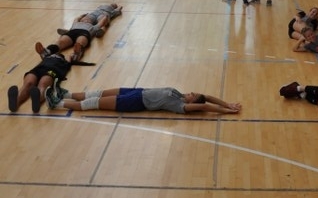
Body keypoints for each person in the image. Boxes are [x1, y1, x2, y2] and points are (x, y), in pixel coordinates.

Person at [45, 82, 242, 115]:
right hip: (138, 91)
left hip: (136, 102)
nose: (191, 92)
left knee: (93, 104)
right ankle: (65, 94)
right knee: (98, 93)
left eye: (193, 95)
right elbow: (207, 98)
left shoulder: (180, 105)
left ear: (192, 103)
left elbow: (205, 105)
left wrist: (225, 111)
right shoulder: (181, 95)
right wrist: (227, 103)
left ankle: (58, 104)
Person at [35, 3, 121, 62]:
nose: (86, 19)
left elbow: (101, 22)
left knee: (80, 41)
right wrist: (81, 16)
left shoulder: (93, 27)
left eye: (88, 19)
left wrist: (106, 17)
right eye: (85, 19)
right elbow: (76, 19)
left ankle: (76, 54)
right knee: (60, 42)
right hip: (72, 32)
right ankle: (47, 52)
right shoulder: (76, 23)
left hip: (84, 33)